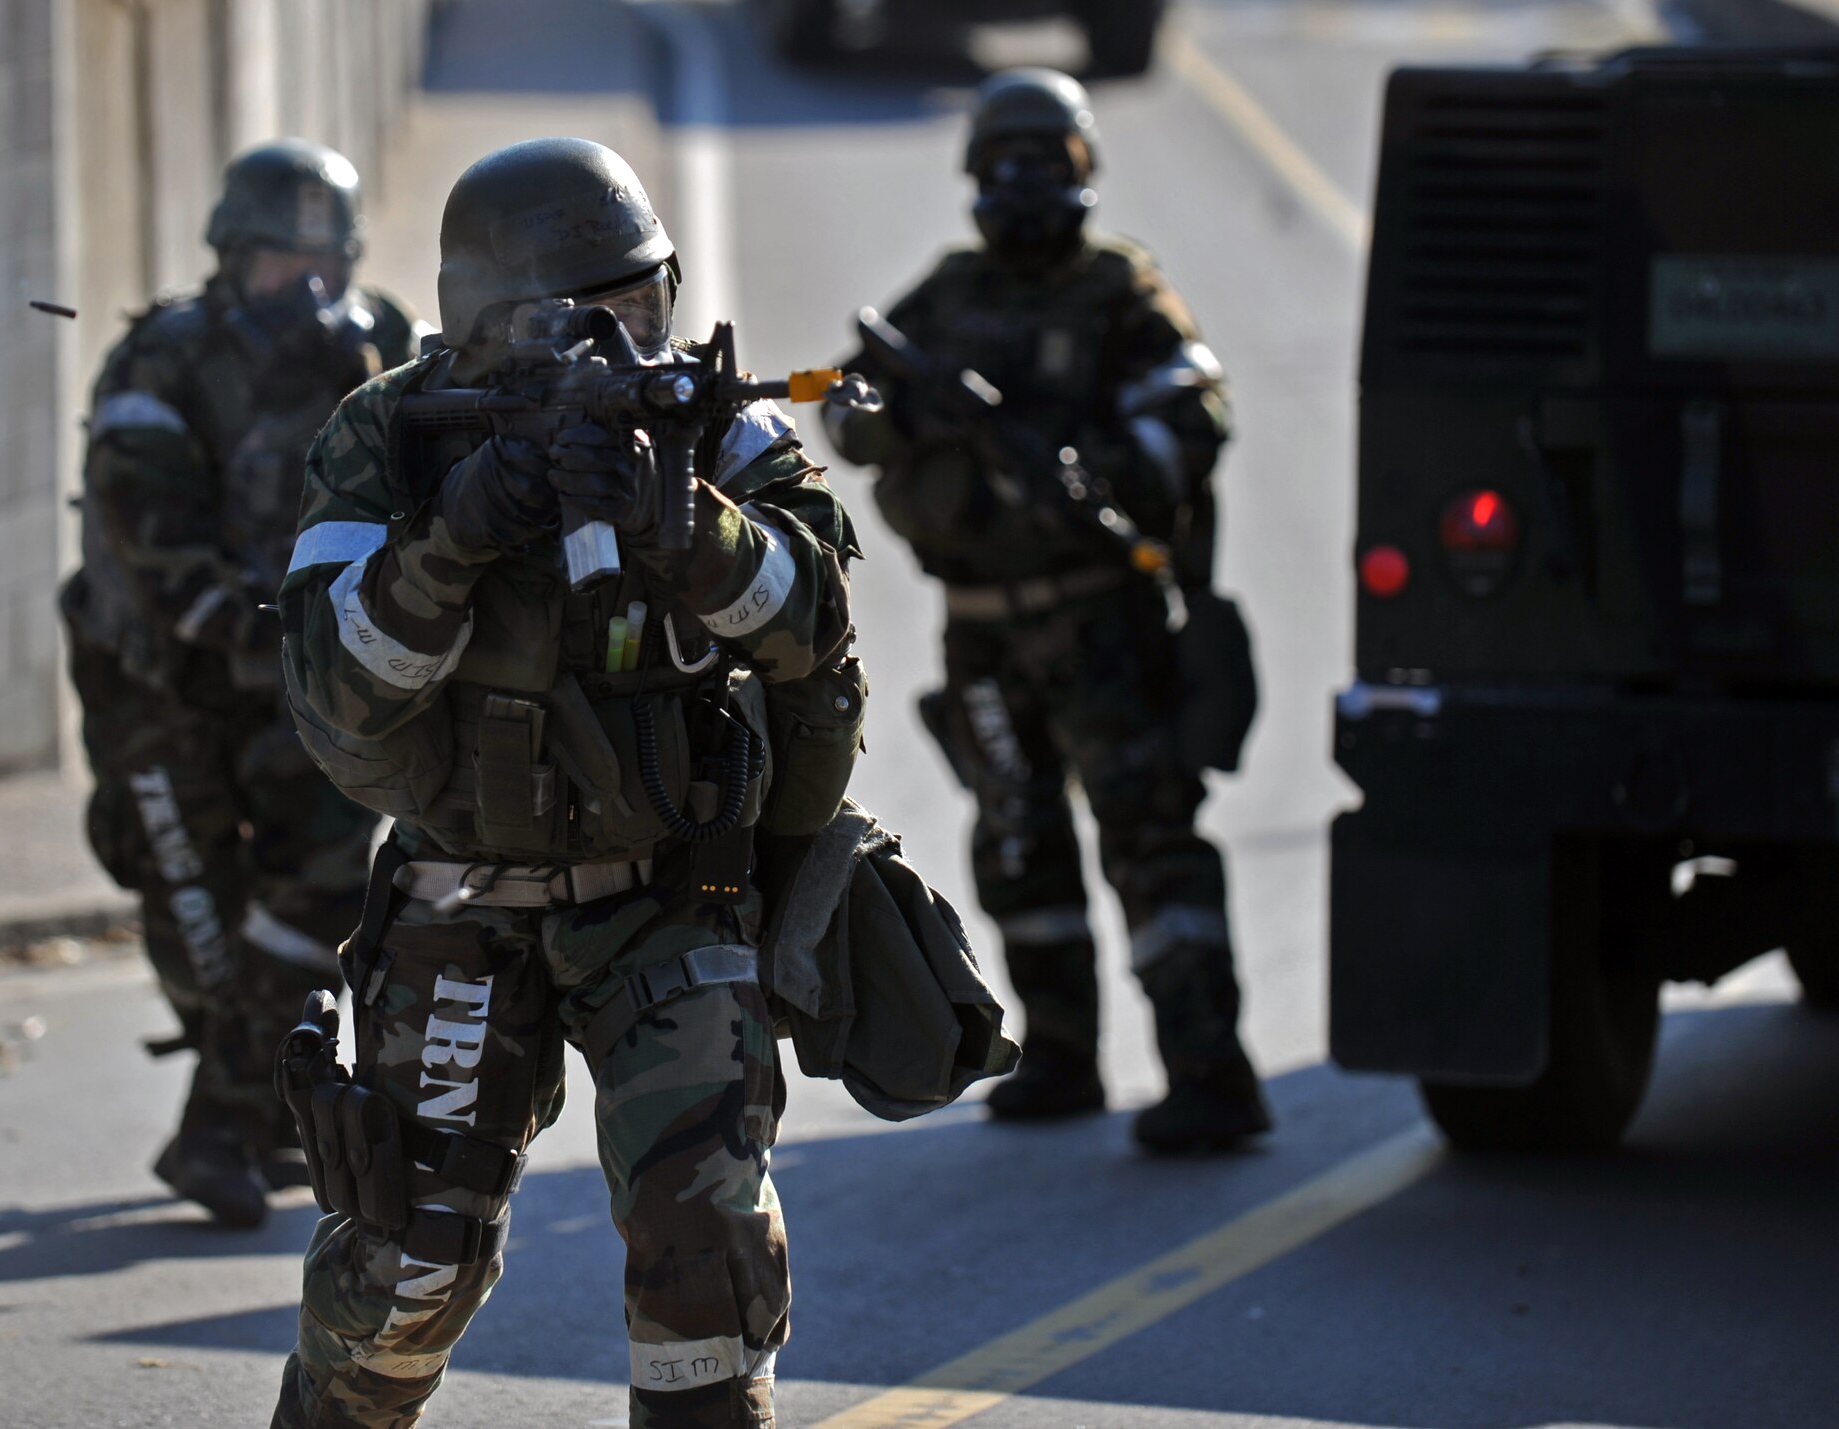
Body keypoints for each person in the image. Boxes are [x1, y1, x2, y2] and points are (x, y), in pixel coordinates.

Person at [268, 137, 859, 1429]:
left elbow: (815, 619)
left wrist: (684, 524)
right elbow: (336, 685)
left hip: (667, 895)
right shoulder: (389, 439)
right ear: (478, 324)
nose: (612, 343)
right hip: (458, 889)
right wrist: (461, 533)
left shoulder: (716, 426)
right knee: (406, 1268)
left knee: (706, 1265)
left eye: (636, 305)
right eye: (566, 316)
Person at [823, 68, 1270, 1152]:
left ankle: (1209, 1072)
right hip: (980, 628)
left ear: (1083, 173)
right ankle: (1062, 1057)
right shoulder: (949, 292)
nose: (1022, 183)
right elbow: (845, 410)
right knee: (1016, 839)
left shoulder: (1118, 290)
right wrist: (903, 417)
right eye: (1002, 162)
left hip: (1099, 620)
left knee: (1150, 840)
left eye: (1046, 162)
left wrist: (1087, 470)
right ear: (974, 174)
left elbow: (1194, 413)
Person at [60, 139, 420, 1227]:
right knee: (198, 918)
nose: (305, 286)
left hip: (299, 680)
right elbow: (155, 543)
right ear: (230, 253)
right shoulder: (161, 361)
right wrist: (274, 636)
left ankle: (222, 1127)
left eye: (327, 260)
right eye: (278, 259)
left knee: (315, 899)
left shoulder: (377, 347)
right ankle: (251, 1108)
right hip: (162, 688)